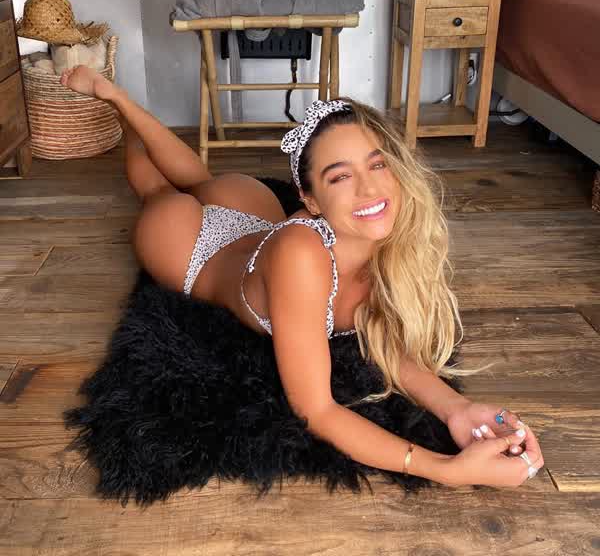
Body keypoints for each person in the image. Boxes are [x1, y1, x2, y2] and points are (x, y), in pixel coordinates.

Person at [60, 65, 544, 489]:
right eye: (340, 176)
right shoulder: (301, 255)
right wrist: (444, 468)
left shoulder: (391, 238)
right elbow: (317, 409)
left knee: (202, 179)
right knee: (159, 191)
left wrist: (457, 409)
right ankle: (120, 105)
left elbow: (386, 343)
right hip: (196, 247)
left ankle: (126, 108)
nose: (370, 188)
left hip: (255, 218)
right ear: (309, 200)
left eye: (377, 164)